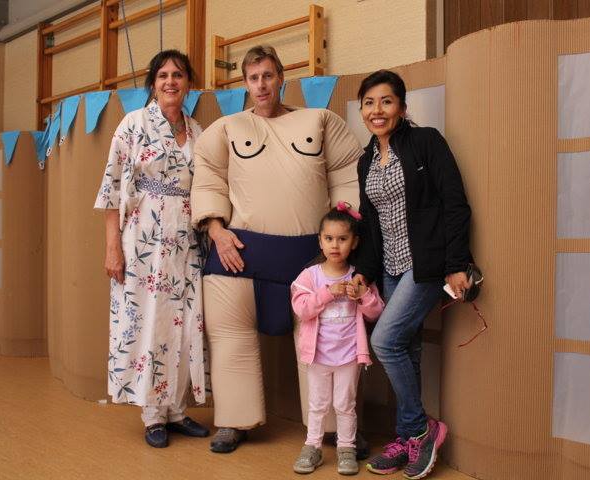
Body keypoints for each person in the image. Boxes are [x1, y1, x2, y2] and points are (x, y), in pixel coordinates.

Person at [191, 45, 363, 453]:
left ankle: (335, 429)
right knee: (230, 339)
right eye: (253, 78)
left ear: (281, 78)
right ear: (245, 84)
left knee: (325, 343)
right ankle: (234, 421)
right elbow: (208, 179)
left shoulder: (320, 121)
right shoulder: (226, 129)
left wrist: (342, 234)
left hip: (311, 260)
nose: (261, 85)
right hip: (238, 254)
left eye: (268, 75)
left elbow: (346, 175)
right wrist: (215, 229)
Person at [351, 70, 474, 479]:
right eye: (369, 102)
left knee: (385, 342)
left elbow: (455, 202)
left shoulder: (426, 142)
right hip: (389, 267)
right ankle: (407, 439)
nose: (377, 110)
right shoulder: (366, 160)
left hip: (425, 265)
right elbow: (370, 223)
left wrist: (455, 264)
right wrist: (365, 272)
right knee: (409, 349)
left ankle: (422, 428)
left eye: (386, 101)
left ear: (402, 108)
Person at [94, 50, 209, 449]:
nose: (170, 81)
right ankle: (153, 414)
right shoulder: (134, 123)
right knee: (148, 319)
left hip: (187, 239)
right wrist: (113, 248)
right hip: (144, 237)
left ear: (189, 82)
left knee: (184, 321)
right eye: (163, 75)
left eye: (178, 74)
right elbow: (111, 190)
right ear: (153, 83)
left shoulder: (198, 130)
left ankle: (176, 409)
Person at [291, 204, 384, 475]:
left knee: (345, 405)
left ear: (354, 242)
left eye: (342, 239)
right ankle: (312, 447)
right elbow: (301, 309)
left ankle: (346, 448)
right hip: (318, 355)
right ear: (320, 241)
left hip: (349, 355)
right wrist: (328, 293)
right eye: (329, 238)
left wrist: (363, 295)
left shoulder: (358, 277)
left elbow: (377, 312)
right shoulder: (310, 276)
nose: (335, 245)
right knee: (317, 404)